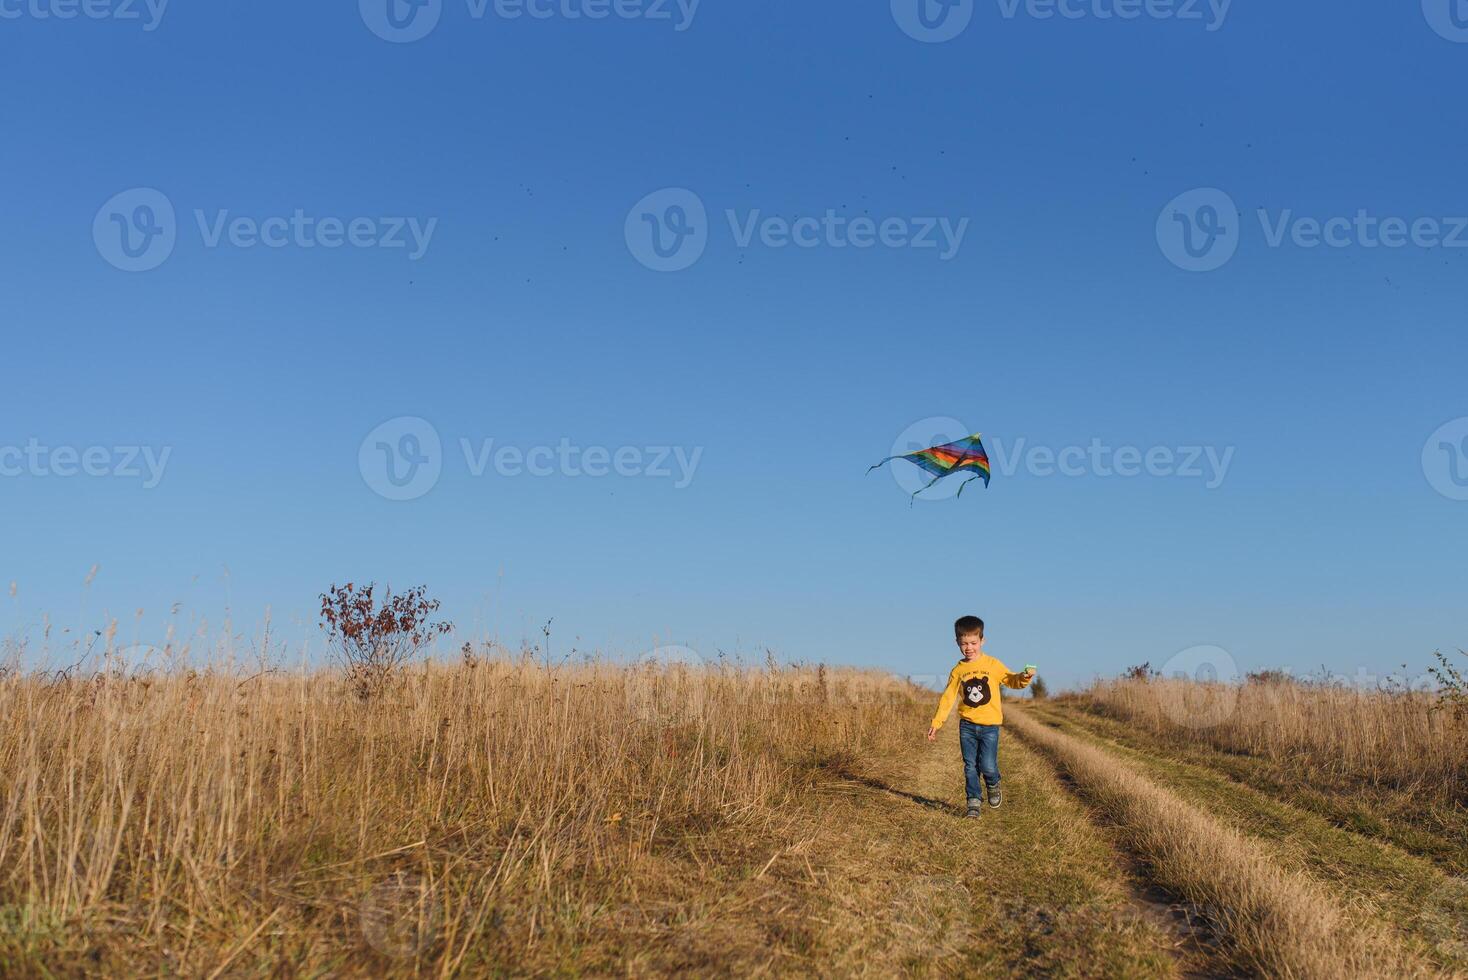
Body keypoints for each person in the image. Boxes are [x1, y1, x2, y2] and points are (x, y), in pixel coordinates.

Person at [925, 615, 1035, 818]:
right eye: (964, 643)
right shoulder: (958, 670)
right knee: (970, 766)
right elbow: (948, 697)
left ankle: (993, 783)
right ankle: (973, 802)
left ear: (982, 641)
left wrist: (1024, 677)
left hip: (990, 725)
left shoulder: (992, 664)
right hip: (966, 725)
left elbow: (1011, 680)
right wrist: (937, 722)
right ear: (957, 642)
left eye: (973, 643)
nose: (969, 648)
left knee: (988, 765)